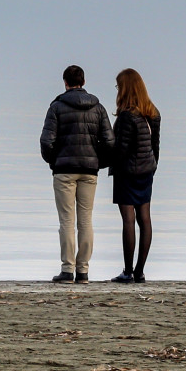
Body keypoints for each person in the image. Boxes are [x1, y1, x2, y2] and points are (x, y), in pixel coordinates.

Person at [40, 65, 113, 283]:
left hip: (64, 170)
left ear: (65, 82)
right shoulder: (98, 107)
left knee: (66, 221)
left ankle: (67, 270)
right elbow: (109, 141)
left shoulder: (56, 107)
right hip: (89, 170)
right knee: (86, 220)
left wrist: (54, 161)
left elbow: (46, 141)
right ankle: (83, 271)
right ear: (83, 81)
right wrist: (99, 163)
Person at [108, 69, 161, 284]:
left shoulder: (126, 116)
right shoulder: (153, 112)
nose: (117, 90)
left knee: (128, 220)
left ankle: (128, 271)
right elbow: (155, 145)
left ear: (125, 88)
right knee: (145, 219)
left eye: (118, 86)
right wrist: (153, 165)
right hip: (146, 171)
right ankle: (140, 271)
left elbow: (121, 150)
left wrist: (107, 159)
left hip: (127, 172)